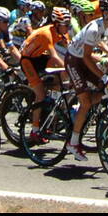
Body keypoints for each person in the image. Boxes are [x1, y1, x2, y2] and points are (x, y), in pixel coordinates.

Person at [64, 0, 108, 160]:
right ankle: (73, 142)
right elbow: (86, 57)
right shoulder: (93, 28)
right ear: (106, 13)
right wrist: (102, 76)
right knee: (86, 102)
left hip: (84, 60)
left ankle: (80, 112)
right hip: (74, 60)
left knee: (107, 87)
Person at [19, 7, 73, 139]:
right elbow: (54, 57)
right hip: (28, 60)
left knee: (61, 80)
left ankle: (51, 104)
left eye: (68, 25)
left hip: (40, 56)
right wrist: (71, 70)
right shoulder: (46, 33)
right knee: (41, 94)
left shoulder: (62, 33)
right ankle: (35, 129)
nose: (67, 28)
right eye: (65, 25)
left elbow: (71, 50)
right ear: (56, 24)